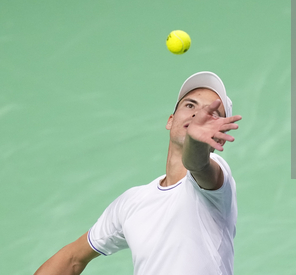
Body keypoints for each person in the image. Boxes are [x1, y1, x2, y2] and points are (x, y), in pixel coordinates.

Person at [34, 71, 242, 275]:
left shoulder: (216, 176)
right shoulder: (132, 203)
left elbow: (198, 165)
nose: (198, 115)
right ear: (170, 120)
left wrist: (196, 142)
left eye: (211, 113)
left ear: (221, 137)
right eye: (190, 105)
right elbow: (72, 259)